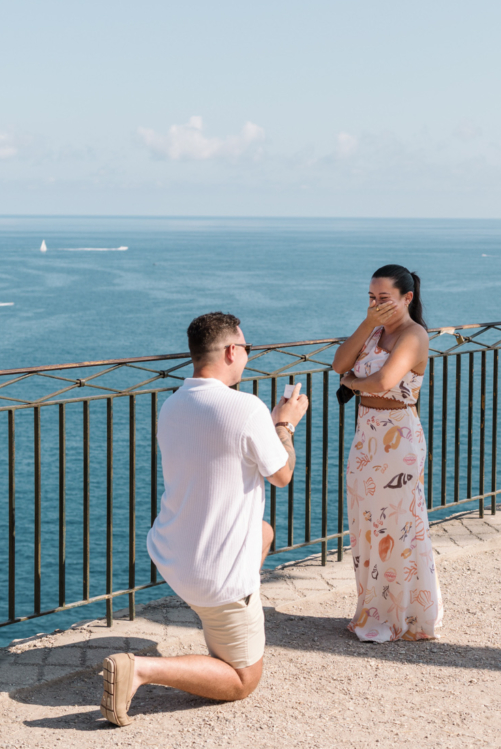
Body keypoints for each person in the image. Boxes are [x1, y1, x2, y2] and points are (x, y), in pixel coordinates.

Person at [100, 311, 308, 726]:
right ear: (231, 351)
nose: (248, 356)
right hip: (215, 576)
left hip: (172, 553)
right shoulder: (246, 408)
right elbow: (283, 474)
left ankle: (227, 621)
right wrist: (284, 423)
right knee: (242, 680)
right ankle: (140, 669)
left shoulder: (174, 405)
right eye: (247, 348)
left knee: (262, 532)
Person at [332, 264, 442, 642]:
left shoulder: (414, 335)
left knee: (398, 525)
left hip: (399, 438)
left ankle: (401, 614)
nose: (376, 304)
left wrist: (350, 383)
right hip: (367, 437)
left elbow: (383, 381)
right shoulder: (374, 332)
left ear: (407, 298)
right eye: (371, 298)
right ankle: (370, 608)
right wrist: (366, 324)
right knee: (367, 523)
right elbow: (338, 362)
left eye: (384, 299)